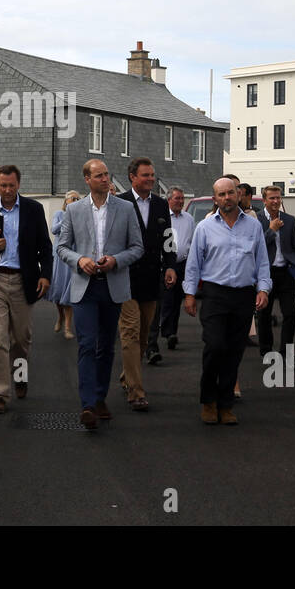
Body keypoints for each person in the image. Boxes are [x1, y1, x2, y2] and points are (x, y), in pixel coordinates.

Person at [55, 159, 144, 430]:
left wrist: (116, 260)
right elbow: (62, 247)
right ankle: (87, 404)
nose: (105, 179)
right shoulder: (75, 210)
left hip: (113, 285)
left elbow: (138, 247)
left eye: (107, 175)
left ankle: (100, 397)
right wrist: (79, 260)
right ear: (87, 180)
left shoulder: (126, 208)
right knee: (86, 344)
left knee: (106, 346)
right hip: (85, 285)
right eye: (99, 175)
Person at [182, 177, 271, 425]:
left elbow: (262, 262)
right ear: (215, 199)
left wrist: (263, 289)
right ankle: (208, 401)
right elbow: (194, 264)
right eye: (221, 195)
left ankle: (226, 404)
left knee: (233, 352)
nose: (227, 198)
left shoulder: (252, 227)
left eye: (231, 193)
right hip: (214, 295)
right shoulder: (205, 227)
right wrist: (189, 294)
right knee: (215, 346)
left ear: (239, 194)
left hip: (243, 295)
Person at [0, 165, 53, 413]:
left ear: (19, 185)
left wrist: (45, 275)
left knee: (21, 340)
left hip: (24, 280)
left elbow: (45, 246)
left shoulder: (33, 209)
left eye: (12, 185)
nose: (8, 190)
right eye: (3, 185)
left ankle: (20, 376)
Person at [115, 158, 175, 410]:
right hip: (125, 278)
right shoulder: (119, 203)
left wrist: (170, 265)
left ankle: (127, 375)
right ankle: (136, 392)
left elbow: (168, 239)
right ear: (132, 177)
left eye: (152, 175)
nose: (151, 179)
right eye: (145, 175)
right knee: (129, 333)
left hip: (151, 279)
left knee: (142, 334)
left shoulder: (161, 205)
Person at [255, 185, 295, 356]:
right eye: (272, 198)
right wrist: (271, 230)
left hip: (286, 272)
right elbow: (256, 246)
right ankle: (266, 349)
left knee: (290, 314)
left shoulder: (290, 220)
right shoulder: (257, 220)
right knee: (264, 314)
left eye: (278, 197)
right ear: (265, 200)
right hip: (266, 273)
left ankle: (285, 351)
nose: (275, 201)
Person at [152, 186, 195, 351]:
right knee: (167, 299)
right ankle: (167, 332)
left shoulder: (189, 219)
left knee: (177, 299)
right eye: (177, 198)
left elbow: (191, 240)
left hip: (183, 263)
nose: (180, 201)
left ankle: (172, 331)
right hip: (166, 265)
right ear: (169, 200)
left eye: (182, 198)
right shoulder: (163, 218)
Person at [48, 191, 82, 339]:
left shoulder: (81, 216)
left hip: (72, 257)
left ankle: (68, 327)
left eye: (77, 199)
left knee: (68, 293)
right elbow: (54, 230)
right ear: (66, 201)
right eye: (72, 198)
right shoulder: (59, 214)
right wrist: (68, 217)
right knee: (58, 291)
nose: (75, 200)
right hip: (59, 257)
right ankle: (60, 316)